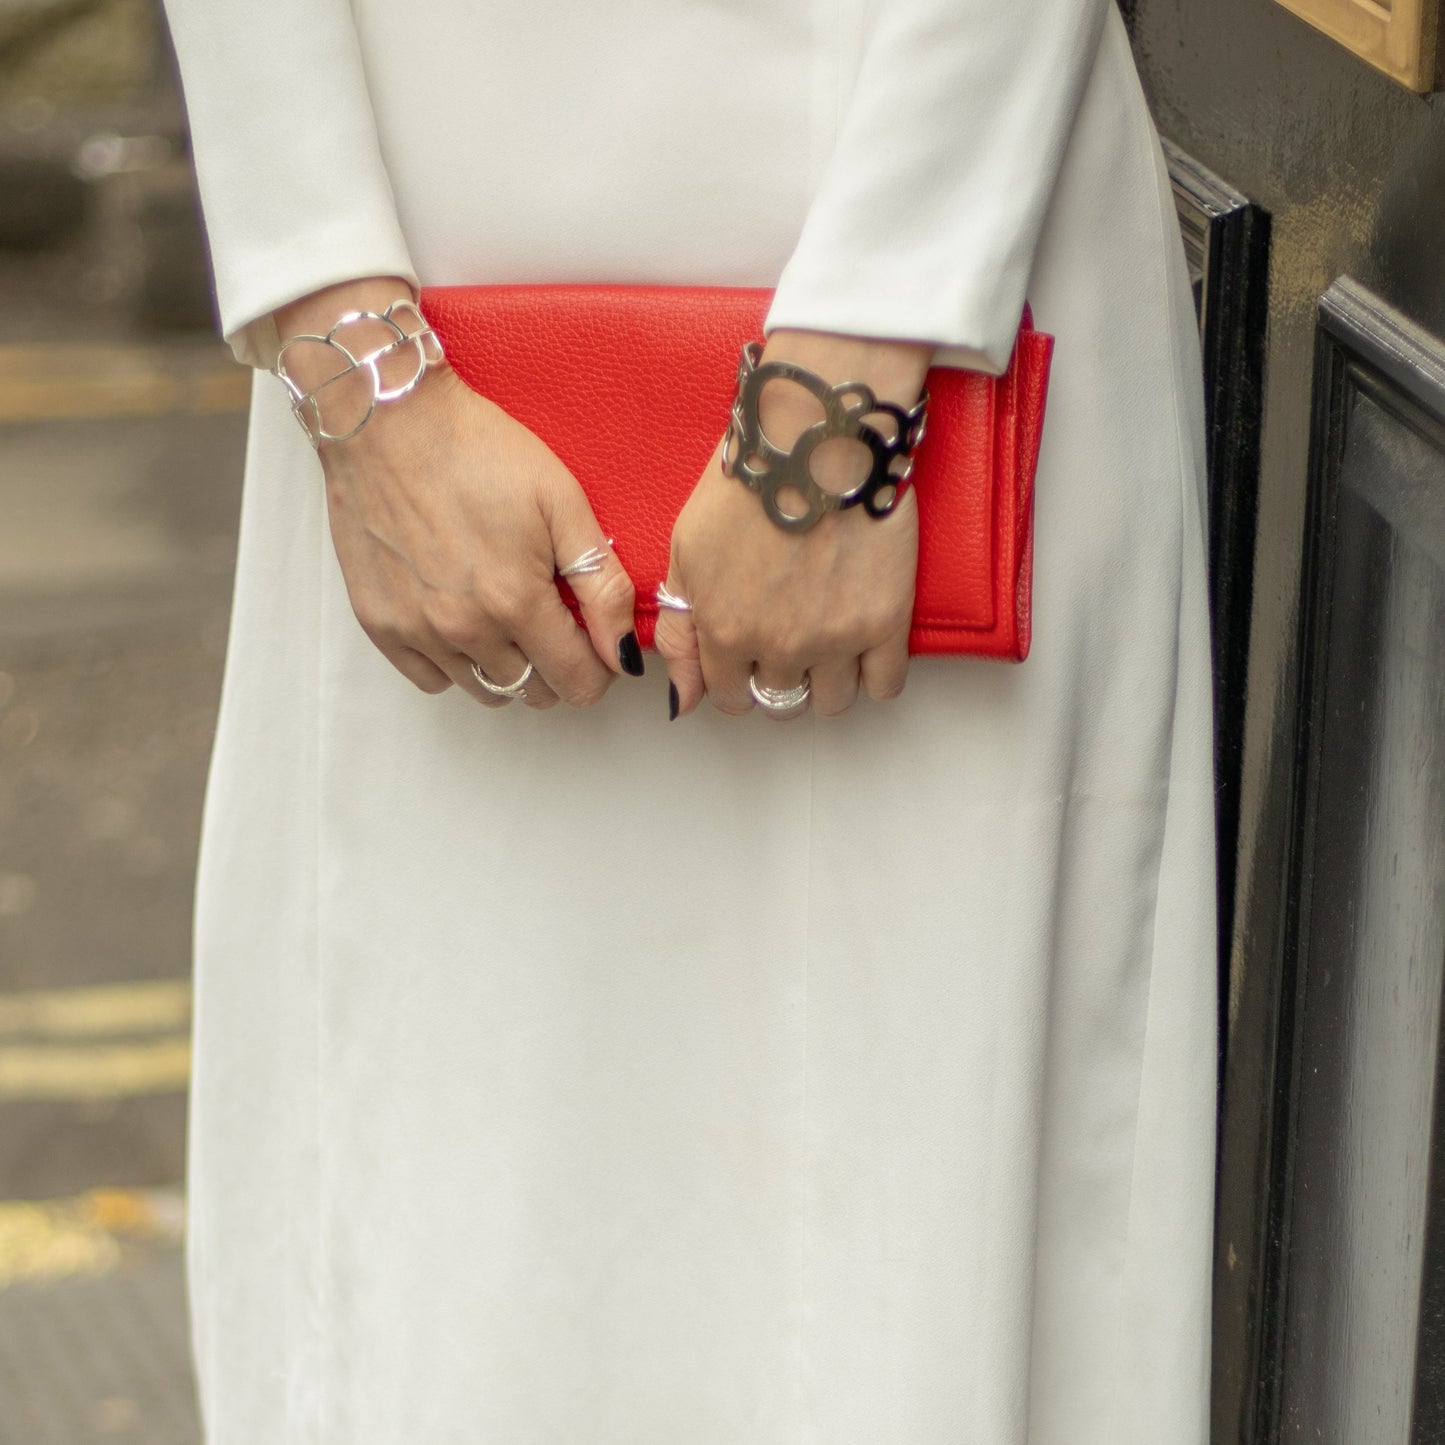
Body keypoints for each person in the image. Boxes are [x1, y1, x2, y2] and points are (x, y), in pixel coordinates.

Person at [161, 1, 1217, 1441]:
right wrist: (351, 353)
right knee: (439, 1218)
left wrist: (858, 369)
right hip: (416, 304)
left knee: (913, 1197)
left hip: (941, 247)